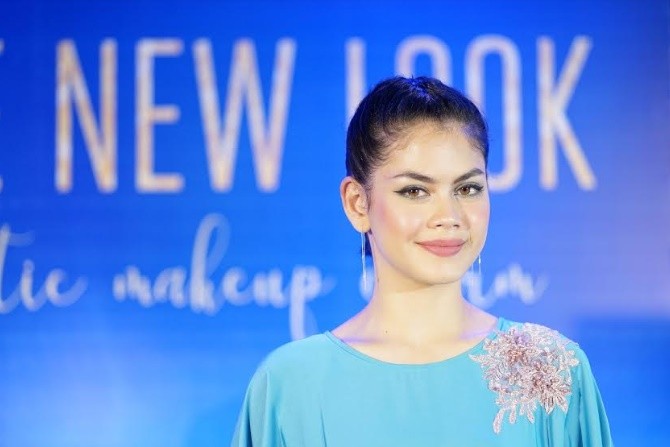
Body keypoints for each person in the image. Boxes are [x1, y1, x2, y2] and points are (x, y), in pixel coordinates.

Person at [231, 76, 613, 446]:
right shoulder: (290, 386)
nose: (449, 216)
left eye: (468, 188)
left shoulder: (552, 369)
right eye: (415, 191)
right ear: (357, 203)